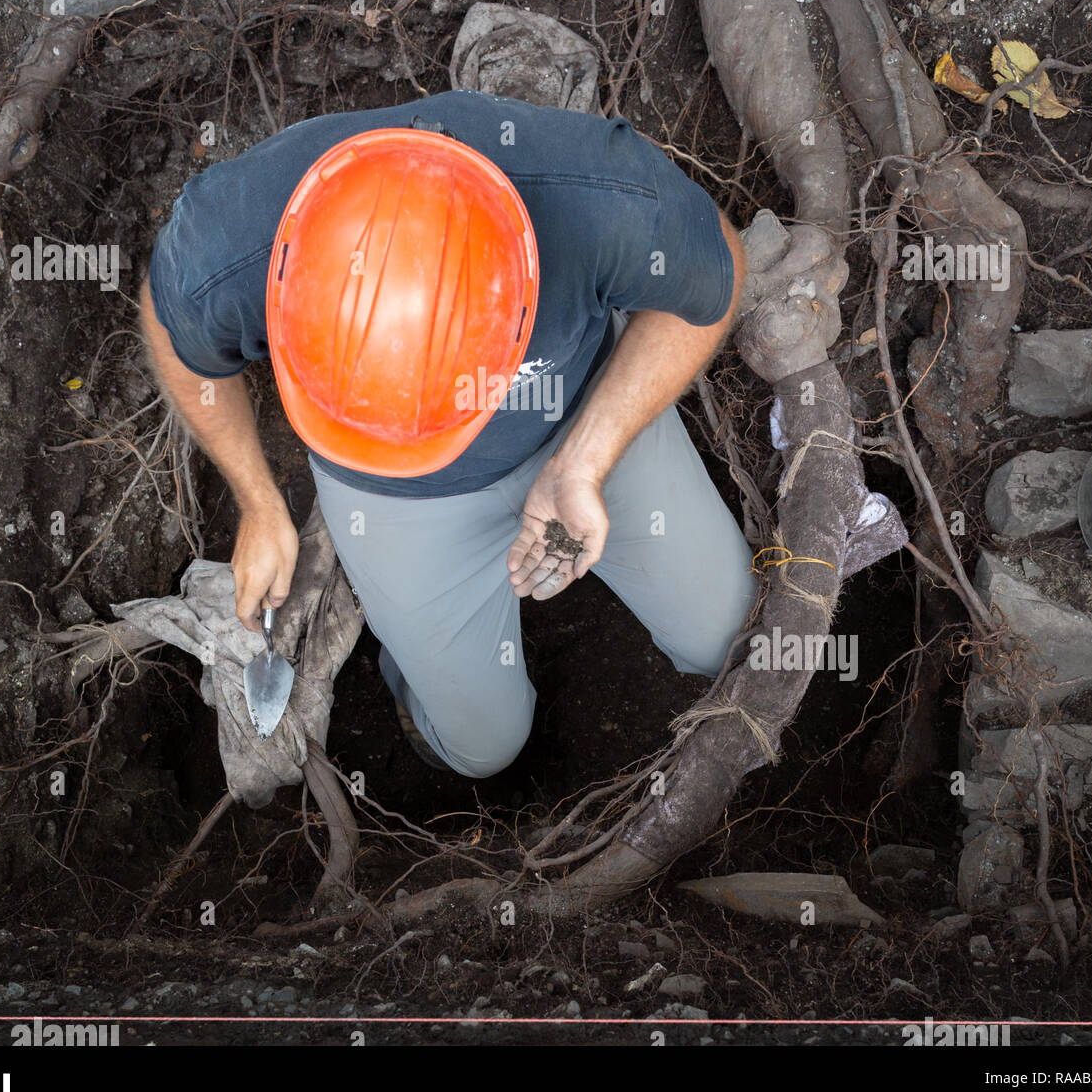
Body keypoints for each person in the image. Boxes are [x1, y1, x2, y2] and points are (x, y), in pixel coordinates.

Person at [141, 88, 756, 777]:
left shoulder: (595, 199)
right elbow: (172, 329)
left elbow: (715, 270)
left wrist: (583, 461)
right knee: (483, 750)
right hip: (394, 506)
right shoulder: (233, 247)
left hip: (580, 415)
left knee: (732, 638)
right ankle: (414, 681)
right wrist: (258, 501)